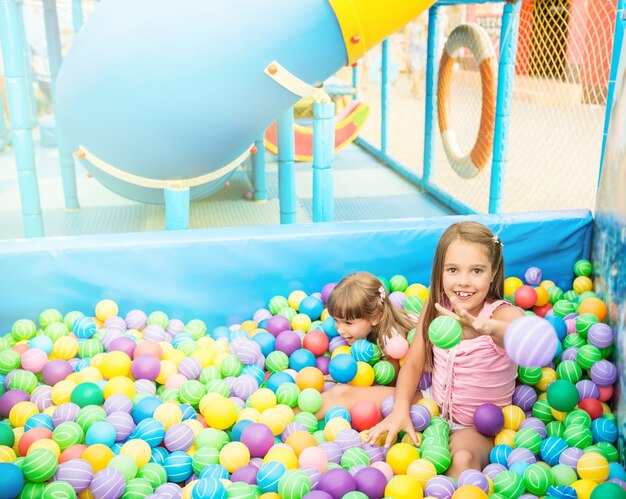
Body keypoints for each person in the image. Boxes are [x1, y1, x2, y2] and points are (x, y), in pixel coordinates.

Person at [364, 221, 525, 478]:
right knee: (345, 395)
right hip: (432, 403)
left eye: (476, 271)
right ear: (440, 271)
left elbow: (522, 335)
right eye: (452, 269)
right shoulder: (437, 304)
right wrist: (400, 410)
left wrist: (485, 327)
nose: (463, 282)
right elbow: (414, 364)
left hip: (475, 426)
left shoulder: (503, 314)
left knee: (461, 461)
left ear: (493, 272)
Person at [316, 271, 418, 416]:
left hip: (421, 392)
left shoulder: (392, 342)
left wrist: (350, 378)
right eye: (336, 320)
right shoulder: (376, 324)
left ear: (375, 317)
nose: (339, 329)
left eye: (348, 323)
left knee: (342, 394)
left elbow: (389, 380)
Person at [403, 14, 427, 98]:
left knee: (421, 74)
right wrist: (406, 54)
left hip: (423, 51)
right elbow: (406, 40)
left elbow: (425, 37)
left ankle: (414, 87)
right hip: (413, 52)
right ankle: (417, 92)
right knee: (416, 72)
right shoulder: (409, 25)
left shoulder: (423, 24)